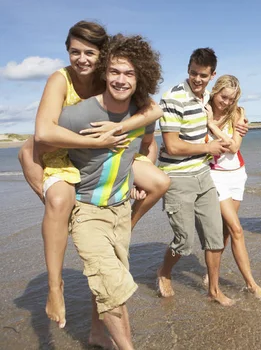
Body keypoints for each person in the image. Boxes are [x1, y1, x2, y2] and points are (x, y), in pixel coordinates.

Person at [17, 21, 170, 329]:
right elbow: (43, 134)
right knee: (60, 201)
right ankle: (54, 287)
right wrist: (94, 141)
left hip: (105, 151)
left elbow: (153, 111)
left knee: (159, 182)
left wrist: (119, 129)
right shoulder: (60, 80)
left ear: (103, 56)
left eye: (90, 52)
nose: (82, 59)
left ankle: (126, 224)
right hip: (62, 150)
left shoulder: (108, 78)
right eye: (75, 52)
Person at [55, 34, 163, 349]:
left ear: (140, 76)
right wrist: (48, 194)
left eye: (129, 73)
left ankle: (96, 334)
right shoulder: (76, 115)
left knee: (105, 282)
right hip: (87, 211)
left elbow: (147, 145)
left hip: (119, 212)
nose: (120, 79)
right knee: (114, 289)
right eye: (114, 71)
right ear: (104, 72)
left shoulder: (141, 113)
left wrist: (138, 180)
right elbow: (37, 145)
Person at [156, 48, 235, 305]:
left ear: (212, 75)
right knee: (185, 241)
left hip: (203, 175)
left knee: (215, 237)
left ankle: (214, 290)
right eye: (193, 73)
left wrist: (238, 124)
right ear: (188, 69)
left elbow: (225, 109)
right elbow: (172, 146)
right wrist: (208, 148)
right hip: (177, 178)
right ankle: (164, 272)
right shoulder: (173, 99)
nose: (197, 79)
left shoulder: (206, 100)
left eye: (203, 75)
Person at [204, 75, 261, 299]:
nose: (226, 102)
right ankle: (252, 284)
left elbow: (234, 147)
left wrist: (212, 126)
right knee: (237, 229)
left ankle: (211, 273)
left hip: (237, 175)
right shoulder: (203, 110)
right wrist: (210, 123)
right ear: (215, 92)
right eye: (223, 97)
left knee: (225, 233)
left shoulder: (238, 113)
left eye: (231, 99)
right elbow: (225, 145)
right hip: (215, 176)